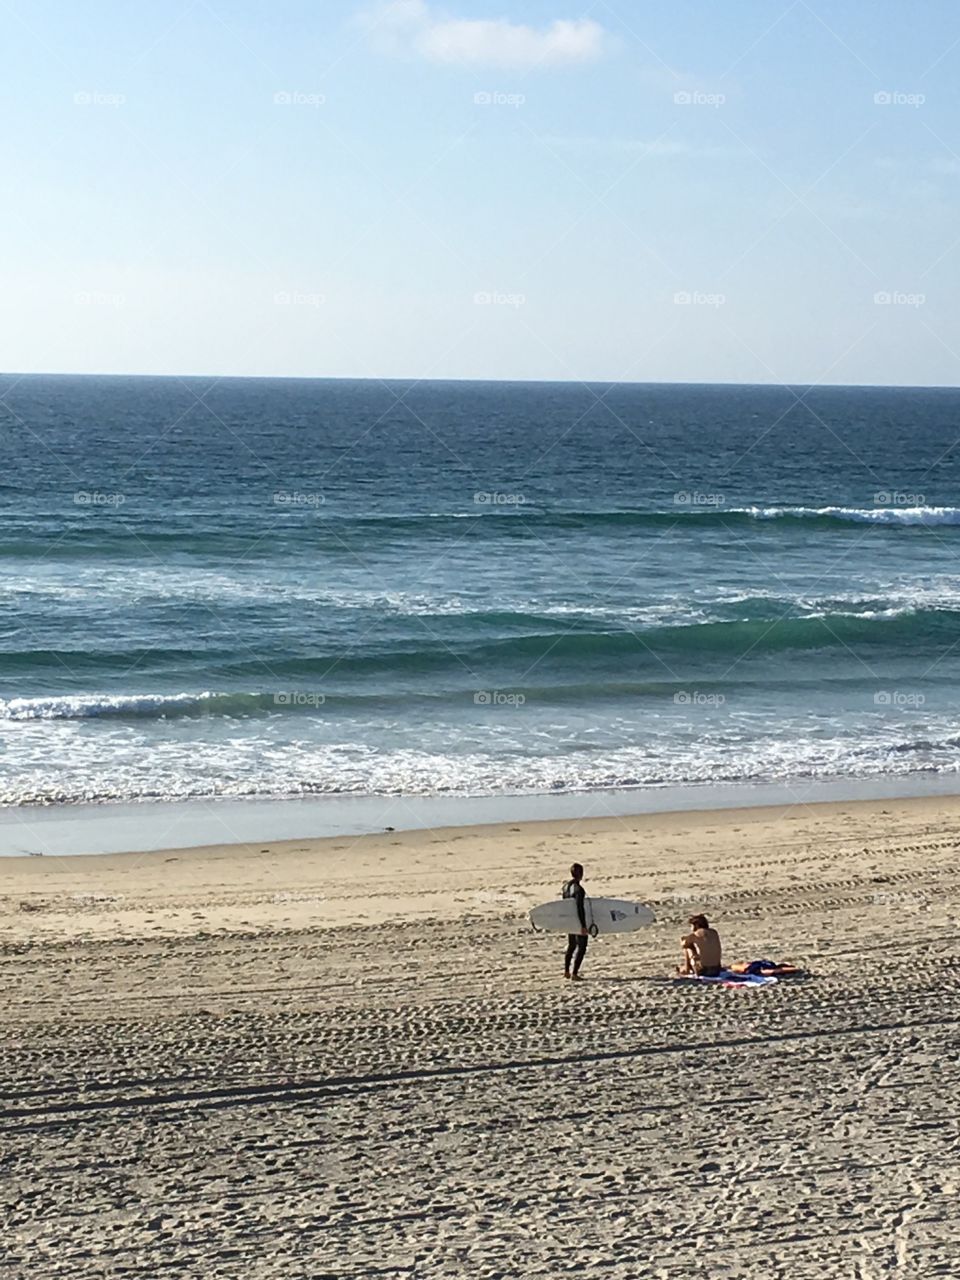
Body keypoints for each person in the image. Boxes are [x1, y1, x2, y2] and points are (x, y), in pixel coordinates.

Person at [562, 863, 589, 980]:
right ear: (581, 874)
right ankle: (575, 973)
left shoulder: (566, 887)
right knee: (582, 947)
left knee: (572, 946)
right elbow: (580, 908)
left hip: (569, 920)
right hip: (577, 921)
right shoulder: (579, 890)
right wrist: (583, 925)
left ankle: (566, 971)